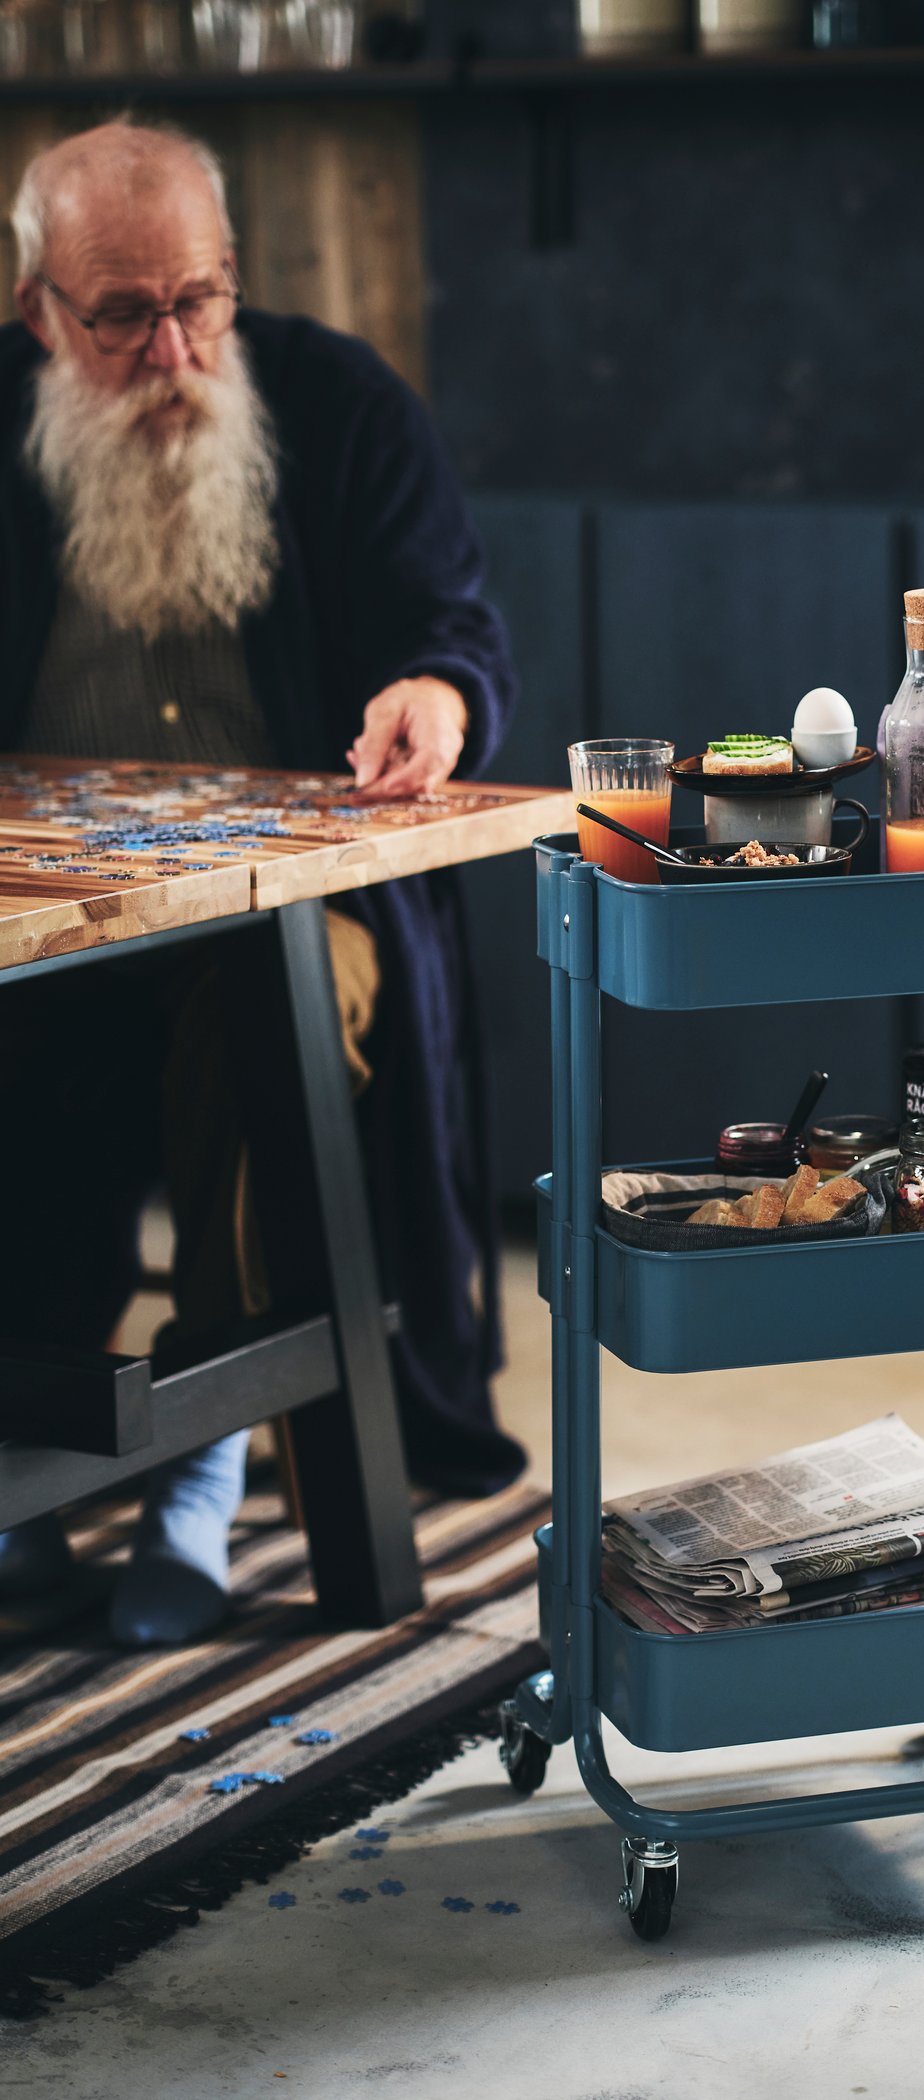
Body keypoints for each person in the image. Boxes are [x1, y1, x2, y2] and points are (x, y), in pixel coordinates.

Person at [0, 119, 525, 1645]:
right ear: (39, 306)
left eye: (200, 301)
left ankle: (200, 1463)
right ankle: (31, 1445)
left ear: (235, 278)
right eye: (120, 315)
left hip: (305, 914)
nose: (171, 349)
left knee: (266, 1025)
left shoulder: (344, 403)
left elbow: (455, 624)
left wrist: (434, 696)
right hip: (48, 923)